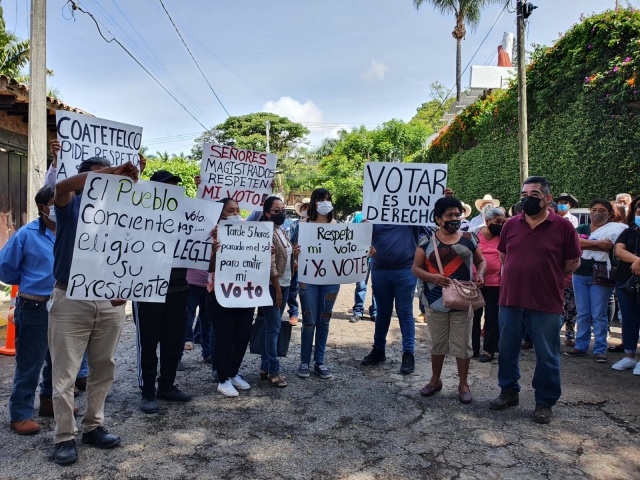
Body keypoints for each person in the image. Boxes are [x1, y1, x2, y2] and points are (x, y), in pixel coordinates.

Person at [49, 158, 138, 464]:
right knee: (65, 373)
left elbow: (137, 251)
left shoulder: (121, 214)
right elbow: (62, 186)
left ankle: (93, 427)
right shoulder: (68, 205)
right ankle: (63, 436)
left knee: (104, 367)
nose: (108, 182)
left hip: (109, 302)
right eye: (99, 177)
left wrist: (126, 288)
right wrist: (109, 173)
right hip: (69, 298)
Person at [489, 176, 581, 425]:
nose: (527, 199)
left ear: (548, 199)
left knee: (547, 354)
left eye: (534, 195)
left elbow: (572, 263)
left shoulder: (563, 227)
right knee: (507, 349)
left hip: (546, 301)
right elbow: (503, 256)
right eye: (524, 195)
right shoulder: (510, 225)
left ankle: (544, 402)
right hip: (510, 299)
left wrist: (546, 278)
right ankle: (508, 391)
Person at [0, 185, 72, 435]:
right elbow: (6, 270)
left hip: (63, 305)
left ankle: (50, 402)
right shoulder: (25, 234)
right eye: (57, 201)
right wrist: (32, 280)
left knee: (59, 362)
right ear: (43, 207)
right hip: (34, 306)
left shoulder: (70, 230)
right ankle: (20, 415)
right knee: (29, 364)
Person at [413, 197, 487, 404]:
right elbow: (416, 268)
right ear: (438, 218)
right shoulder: (426, 241)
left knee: (463, 344)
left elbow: (481, 261)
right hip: (435, 300)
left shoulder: (469, 238)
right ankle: (435, 380)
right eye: (449, 215)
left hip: (464, 299)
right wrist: (432, 277)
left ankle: (463, 384)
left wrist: (480, 274)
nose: (454, 218)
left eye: (457, 214)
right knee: (437, 343)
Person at [134, 171, 193, 414]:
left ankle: (166, 386)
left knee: (173, 342)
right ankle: (147, 392)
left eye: (175, 188)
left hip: (179, 290)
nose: (172, 192)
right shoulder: (140, 217)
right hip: (148, 291)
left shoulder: (187, 218)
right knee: (147, 344)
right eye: (167, 187)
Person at [292, 189, 355, 379]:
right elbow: (291, 251)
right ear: (314, 203)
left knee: (324, 320)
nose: (325, 203)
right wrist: (295, 254)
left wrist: (363, 252)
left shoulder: (339, 226)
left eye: (328, 199)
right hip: (308, 279)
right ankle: (304, 361)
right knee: (309, 320)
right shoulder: (302, 225)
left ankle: (319, 362)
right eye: (321, 200)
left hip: (331, 280)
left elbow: (349, 252)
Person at [565, 199, 627, 363]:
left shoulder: (616, 230)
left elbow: (610, 246)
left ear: (610, 214)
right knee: (583, 312)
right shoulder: (582, 228)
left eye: (601, 210)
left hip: (601, 274)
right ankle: (581, 346)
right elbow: (574, 243)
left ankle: (600, 349)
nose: (596, 213)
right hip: (579, 274)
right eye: (593, 209)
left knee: (599, 313)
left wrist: (588, 244)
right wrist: (598, 244)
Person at [207, 198, 254, 397]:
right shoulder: (210, 233)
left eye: (237, 210)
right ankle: (223, 378)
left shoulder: (249, 232)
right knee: (224, 337)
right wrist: (213, 251)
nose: (235, 214)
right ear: (221, 213)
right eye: (230, 210)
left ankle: (234, 373)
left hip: (245, 291)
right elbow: (207, 268)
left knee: (243, 336)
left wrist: (265, 252)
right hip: (220, 292)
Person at [259, 197, 300, 387]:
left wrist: (294, 254)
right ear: (267, 213)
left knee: (271, 326)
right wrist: (277, 290)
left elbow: (284, 255)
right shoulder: (266, 233)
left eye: (282, 209)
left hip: (284, 283)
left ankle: (265, 366)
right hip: (272, 286)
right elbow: (270, 265)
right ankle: (274, 371)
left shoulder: (281, 230)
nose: (281, 213)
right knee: (273, 327)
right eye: (277, 210)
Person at [471, 207, 506, 362]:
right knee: (474, 316)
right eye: (497, 222)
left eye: (502, 222)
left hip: (496, 283)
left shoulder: (503, 236)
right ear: (487, 221)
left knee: (492, 317)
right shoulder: (474, 234)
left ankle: (489, 350)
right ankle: (473, 347)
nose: (500, 225)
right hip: (475, 282)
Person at [611, 196, 640, 374]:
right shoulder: (629, 231)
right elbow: (619, 250)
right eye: (638, 212)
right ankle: (629, 356)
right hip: (625, 281)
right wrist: (638, 261)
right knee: (628, 318)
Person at [350, 211, 377, 323]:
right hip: (362, 257)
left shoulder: (382, 217)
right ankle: (358, 311)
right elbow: (350, 235)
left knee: (377, 287)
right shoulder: (358, 217)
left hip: (377, 258)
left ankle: (375, 312)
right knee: (361, 285)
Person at [287, 198, 310, 326]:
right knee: (293, 289)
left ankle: (308, 314)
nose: (306, 210)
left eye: (308, 207)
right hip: (298, 262)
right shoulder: (296, 225)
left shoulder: (319, 225)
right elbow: (292, 243)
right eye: (303, 207)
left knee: (308, 290)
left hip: (313, 264)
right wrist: (295, 260)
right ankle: (294, 313)